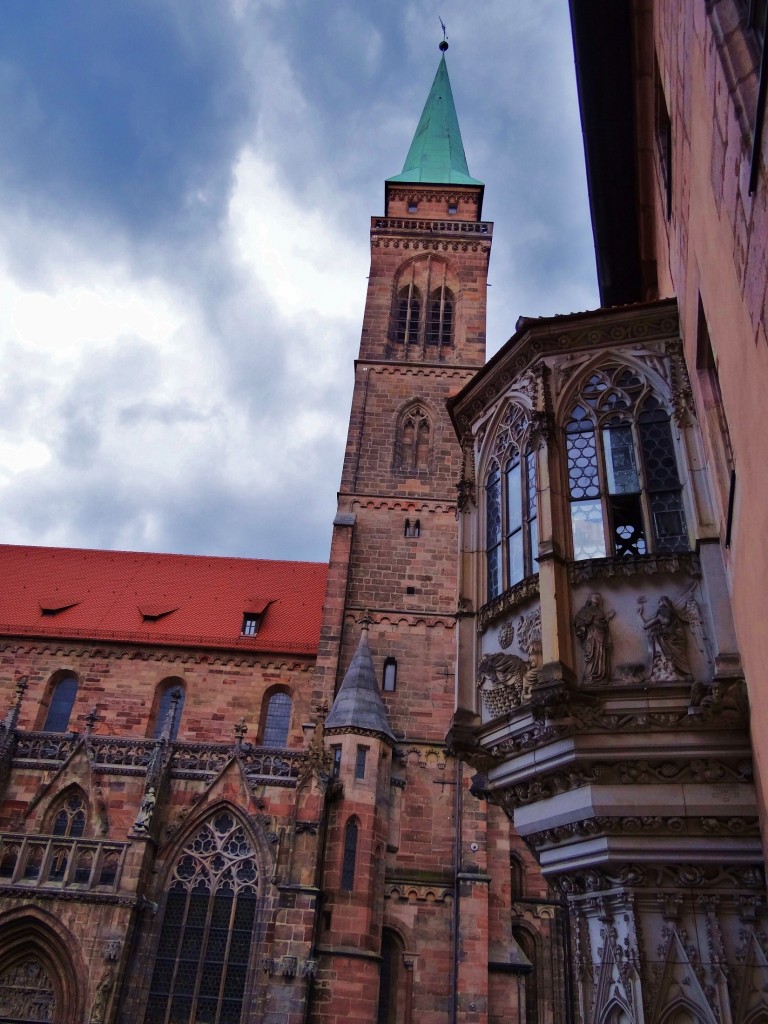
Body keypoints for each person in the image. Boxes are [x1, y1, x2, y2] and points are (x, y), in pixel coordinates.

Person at [574, 593, 614, 684]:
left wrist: (607, 618)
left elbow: (603, 624)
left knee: (601, 654)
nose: (596, 597)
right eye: (594, 596)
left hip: (601, 635)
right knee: (592, 654)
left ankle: (601, 675)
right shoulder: (585, 609)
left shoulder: (601, 611)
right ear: (590, 598)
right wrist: (587, 621)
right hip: (591, 635)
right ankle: (589, 675)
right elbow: (577, 620)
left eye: (598, 597)